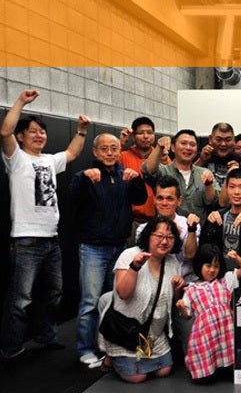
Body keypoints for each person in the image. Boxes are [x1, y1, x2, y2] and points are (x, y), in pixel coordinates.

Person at [1, 89, 90, 359]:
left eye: (42, 131)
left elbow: (72, 153)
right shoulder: (17, 159)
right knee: (21, 298)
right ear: (21, 136)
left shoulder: (49, 160)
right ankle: (11, 346)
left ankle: (46, 336)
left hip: (52, 239)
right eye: (33, 131)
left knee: (54, 293)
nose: (39, 135)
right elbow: (4, 131)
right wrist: (21, 102)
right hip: (25, 240)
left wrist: (82, 131)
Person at [70, 133, 147, 367]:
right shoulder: (85, 176)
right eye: (104, 148)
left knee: (112, 300)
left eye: (114, 148)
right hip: (93, 248)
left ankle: (108, 347)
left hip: (119, 247)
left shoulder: (125, 175)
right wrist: (85, 179)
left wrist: (137, 180)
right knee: (90, 301)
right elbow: (72, 199)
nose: (110, 152)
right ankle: (86, 348)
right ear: (95, 152)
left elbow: (141, 199)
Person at [97, 216, 184, 383]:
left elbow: (174, 300)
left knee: (164, 370)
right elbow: (123, 293)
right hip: (126, 331)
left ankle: (135, 359)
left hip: (152, 334)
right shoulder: (130, 254)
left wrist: (178, 287)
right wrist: (135, 267)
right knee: (138, 377)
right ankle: (111, 358)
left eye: (170, 237)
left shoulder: (172, 262)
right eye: (159, 236)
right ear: (148, 236)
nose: (164, 241)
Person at [136, 176, 201, 358]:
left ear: (179, 201)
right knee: (147, 352)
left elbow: (190, 255)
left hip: (184, 290)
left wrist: (189, 231)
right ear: (154, 200)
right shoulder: (143, 228)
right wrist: (168, 235)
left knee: (193, 350)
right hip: (154, 293)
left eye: (170, 198)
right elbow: (150, 259)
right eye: (160, 198)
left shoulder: (190, 223)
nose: (164, 203)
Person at [176, 244, 241, 382]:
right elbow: (187, 316)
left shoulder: (226, 279)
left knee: (232, 369)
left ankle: (225, 368)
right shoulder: (191, 288)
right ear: (199, 265)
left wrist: (237, 259)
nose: (212, 270)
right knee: (205, 378)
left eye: (216, 266)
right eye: (208, 265)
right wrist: (181, 307)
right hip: (205, 334)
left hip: (226, 331)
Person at [141, 130, 219, 220]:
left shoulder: (204, 172)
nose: (188, 148)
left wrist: (208, 185)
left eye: (192, 145)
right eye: (183, 143)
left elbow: (213, 202)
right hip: (167, 227)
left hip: (197, 227)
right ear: (173, 147)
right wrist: (159, 147)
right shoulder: (163, 171)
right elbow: (147, 171)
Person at [118, 117, 170, 244]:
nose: (146, 136)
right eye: (141, 133)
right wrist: (120, 143)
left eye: (150, 132)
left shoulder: (161, 155)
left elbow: (171, 180)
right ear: (133, 136)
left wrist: (164, 158)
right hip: (130, 220)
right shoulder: (124, 156)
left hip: (156, 219)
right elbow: (109, 165)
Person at [195, 122, 239, 188]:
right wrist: (201, 161)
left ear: (234, 141)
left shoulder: (240, 160)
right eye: (219, 139)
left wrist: (239, 171)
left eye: (228, 140)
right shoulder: (200, 156)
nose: (223, 144)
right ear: (210, 139)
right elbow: (187, 180)